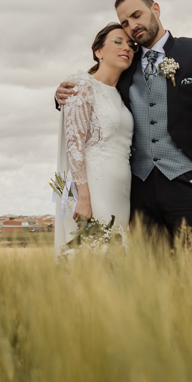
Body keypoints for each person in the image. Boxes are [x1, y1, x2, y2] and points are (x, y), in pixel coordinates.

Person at [56, 0, 192, 263]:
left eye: (136, 15)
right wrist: (61, 94)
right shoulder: (125, 62)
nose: (132, 26)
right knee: (151, 281)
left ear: (156, 8)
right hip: (138, 193)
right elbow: (92, 86)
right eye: (125, 22)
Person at [56, 23, 135, 256]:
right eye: (118, 41)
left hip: (121, 189)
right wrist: (84, 198)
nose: (127, 48)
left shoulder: (120, 92)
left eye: (131, 45)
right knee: (93, 256)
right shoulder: (81, 85)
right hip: (93, 188)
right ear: (98, 51)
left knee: (117, 257)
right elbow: (75, 143)